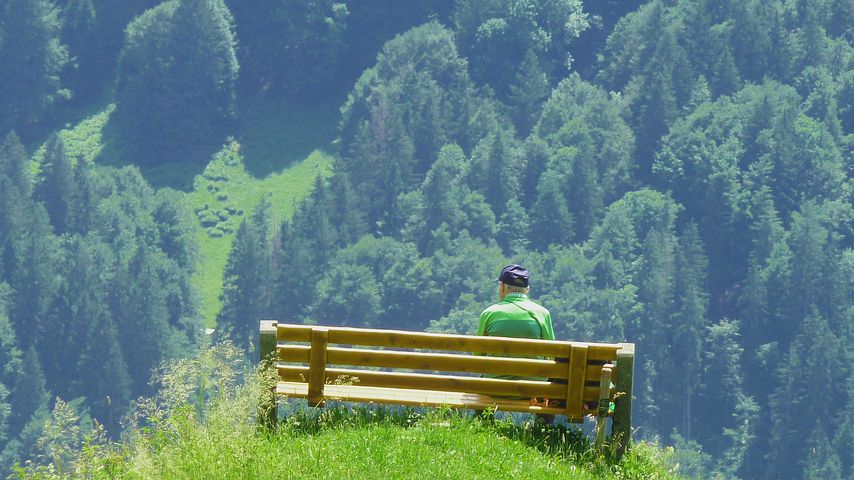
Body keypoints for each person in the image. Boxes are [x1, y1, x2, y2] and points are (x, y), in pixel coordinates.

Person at [477, 264, 559, 423]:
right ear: (527, 289)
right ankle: (544, 428)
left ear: (501, 287)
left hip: (494, 388)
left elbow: (478, 356)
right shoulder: (542, 314)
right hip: (533, 389)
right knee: (548, 382)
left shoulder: (489, 313)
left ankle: (484, 424)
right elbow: (551, 355)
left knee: (483, 376)